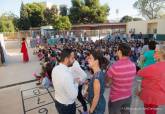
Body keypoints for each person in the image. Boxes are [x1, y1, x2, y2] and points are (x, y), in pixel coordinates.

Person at [106, 43, 136, 114]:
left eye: (117, 50)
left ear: (119, 52)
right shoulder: (133, 65)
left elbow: (107, 84)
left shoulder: (114, 66)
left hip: (116, 99)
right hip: (128, 97)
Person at [137, 44, 165, 114]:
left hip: (150, 96)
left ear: (160, 54)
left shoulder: (154, 67)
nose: (153, 53)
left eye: (155, 51)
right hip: (159, 95)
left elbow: (139, 73)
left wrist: (141, 64)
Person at [52, 48, 78, 114]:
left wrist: (72, 81)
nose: (74, 60)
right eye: (72, 58)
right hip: (67, 107)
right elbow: (74, 95)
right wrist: (76, 83)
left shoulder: (55, 68)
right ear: (66, 59)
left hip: (58, 101)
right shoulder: (66, 75)